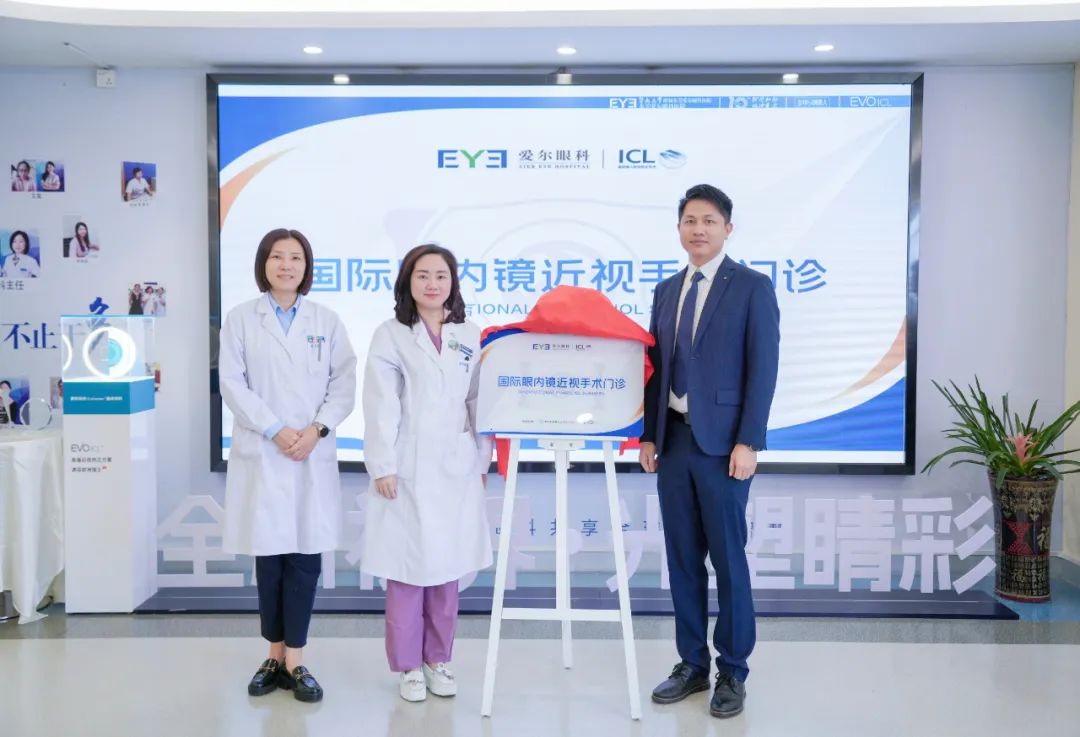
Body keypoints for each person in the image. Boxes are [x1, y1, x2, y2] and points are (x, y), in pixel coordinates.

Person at [639, 184, 780, 719]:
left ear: (728, 228)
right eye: (690, 221)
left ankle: (733, 671)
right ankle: (692, 664)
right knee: (682, 560)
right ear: (679, 228)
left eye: (709, 221)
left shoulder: (751, 287)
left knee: (728, 561)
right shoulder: (666, 290)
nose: (698, 229)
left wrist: (750, 440)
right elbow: (656, 369)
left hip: (724, 448)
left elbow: (763, 369)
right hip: (674, 441)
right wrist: (649, 435)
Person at [219, 228, 357, 704]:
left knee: (304, 559)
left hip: (309, 454)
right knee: (270, 561)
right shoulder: (241, 318)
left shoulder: (326, 321)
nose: (286, 265)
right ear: (264, 264)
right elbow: (232, 383)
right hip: (265, 450)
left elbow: (344, 384)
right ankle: (273, 656)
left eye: (295, 257)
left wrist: (316, 430)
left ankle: (296, 660)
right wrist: (274, 428)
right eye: (277, 257)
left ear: (306, 266)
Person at [362, 243, 492, 703]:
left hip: (456, 466)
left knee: (446, 569)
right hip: (407, 465)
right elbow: (381, 403)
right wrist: (383, 464)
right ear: (408, 282)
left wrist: (481, 459)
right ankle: (408, 666)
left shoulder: (469, 334)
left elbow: (478, 401)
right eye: (423, 275)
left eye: (441, 275)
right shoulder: (391, 335)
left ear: (453, 282)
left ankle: (438, 659)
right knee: (407, 570)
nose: (432, 284)